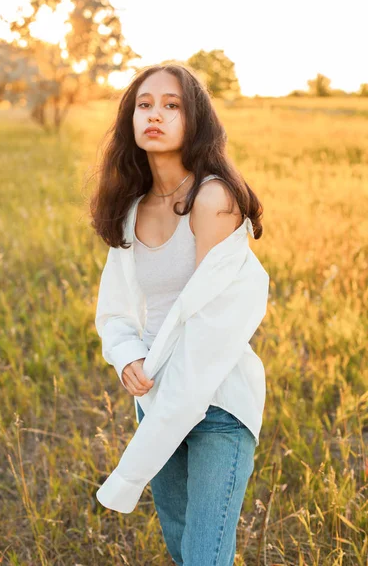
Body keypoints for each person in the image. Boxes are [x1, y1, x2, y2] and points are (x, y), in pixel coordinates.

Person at [91, 63, 269, 565]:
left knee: (204, 555)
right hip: (156, 400)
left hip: (216, 401)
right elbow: (116, 307)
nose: (156, 115)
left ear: (195, 121)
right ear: (131, 119)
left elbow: (210, 324)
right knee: (179, 543)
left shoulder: (214, 199)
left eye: (172, 106)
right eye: (145, 105)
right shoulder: (131, 208)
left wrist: (161, 394)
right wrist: (127, 354)